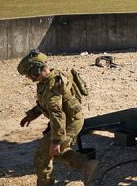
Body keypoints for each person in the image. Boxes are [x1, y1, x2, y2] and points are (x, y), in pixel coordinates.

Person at [17, 50, 98, 186]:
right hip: (69, 119)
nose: (28, 78)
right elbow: (45, 105)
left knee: (43, 156)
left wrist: (55, 141)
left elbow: (57, 116)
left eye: (29, 74)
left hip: (69, 122)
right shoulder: (49, 80)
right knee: (57, 151)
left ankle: (46, 183)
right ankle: (87, 165)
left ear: (36, 70)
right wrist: (31, 115)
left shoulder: (51, 88)